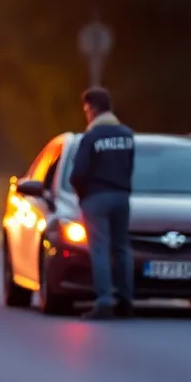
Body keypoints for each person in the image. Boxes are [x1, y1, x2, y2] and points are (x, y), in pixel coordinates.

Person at [68, 86, 135, 320]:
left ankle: (104, 301)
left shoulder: (92, 137)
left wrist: (83, 195)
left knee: (100, 249)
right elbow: (129, 167)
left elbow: (78, 173)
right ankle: (126, 300)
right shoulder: (127, 135)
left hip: (96, 198)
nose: (86, 114)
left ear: (93, 109)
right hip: (121, 197)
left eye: (87, 109)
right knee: (122, 248)